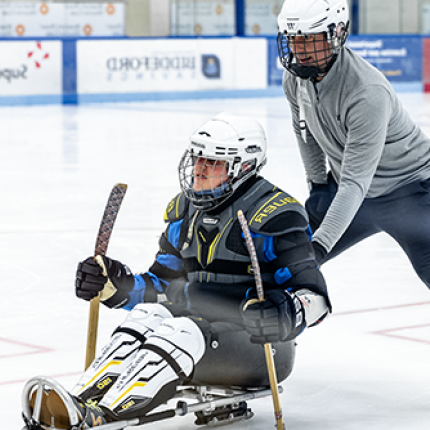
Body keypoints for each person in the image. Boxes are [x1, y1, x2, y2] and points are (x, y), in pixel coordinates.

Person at [22, 113, 330, 429]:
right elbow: (162, 287)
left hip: (260, 351)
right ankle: (78, 403)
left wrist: (283, 312)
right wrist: (116, 285)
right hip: (199, 337)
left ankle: (101, 417)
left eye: (213, 162)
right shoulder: (185, 212)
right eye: (198, 158)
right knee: (147, 318)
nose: (199, 169)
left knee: (180, 330)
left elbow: (316, 298)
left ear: (244, 168)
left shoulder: (276, 216)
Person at [277, 0, 430, 290]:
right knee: (285, 262)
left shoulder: (367, 92)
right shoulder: (295, 78)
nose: (299, 49)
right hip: (350, 192)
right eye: (293, 39)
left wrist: (319, 248)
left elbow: (354, 183)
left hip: (411, 191)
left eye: (309, 39)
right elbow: (304, 133)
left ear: (337, 34)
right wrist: (319, 184)